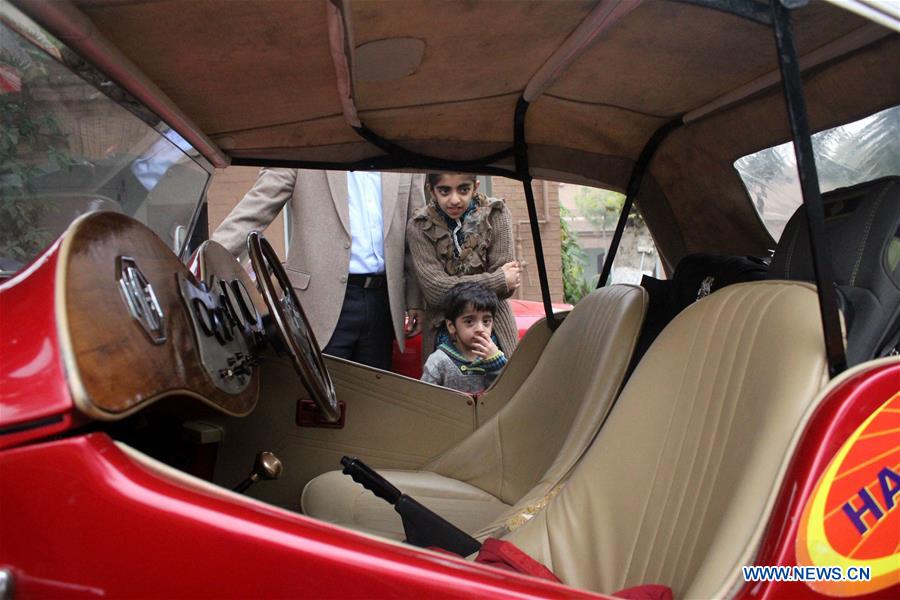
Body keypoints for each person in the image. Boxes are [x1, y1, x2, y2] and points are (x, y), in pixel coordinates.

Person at [212, 168, 425, 370]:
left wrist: (416, 299)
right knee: (322, 390)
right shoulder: (306, 150)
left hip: (383, 302)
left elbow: (415, 231)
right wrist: (206, 260)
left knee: (374, 391)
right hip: (319, 302)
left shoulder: (400, 153)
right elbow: (254, 209)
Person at [406, 172, 520, 363]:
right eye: (444, 191)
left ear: (475, 187)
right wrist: (498, 280)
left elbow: (508, 288)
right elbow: (435, 291)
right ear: (431, 190)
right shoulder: (420, 225)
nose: (455, 200)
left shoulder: (496, 214)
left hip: (494, 330)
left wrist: (450, 284)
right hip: (443, 333)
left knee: (501, 381)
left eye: (463, 190)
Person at [421, 282, 507, 393]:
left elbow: (506, 393)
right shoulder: (438, 361)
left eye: (486, 321)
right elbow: (425, 397)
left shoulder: (495, 357)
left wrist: (496, 365)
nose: (480, 329)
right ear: (451, 326)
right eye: (469, 321)